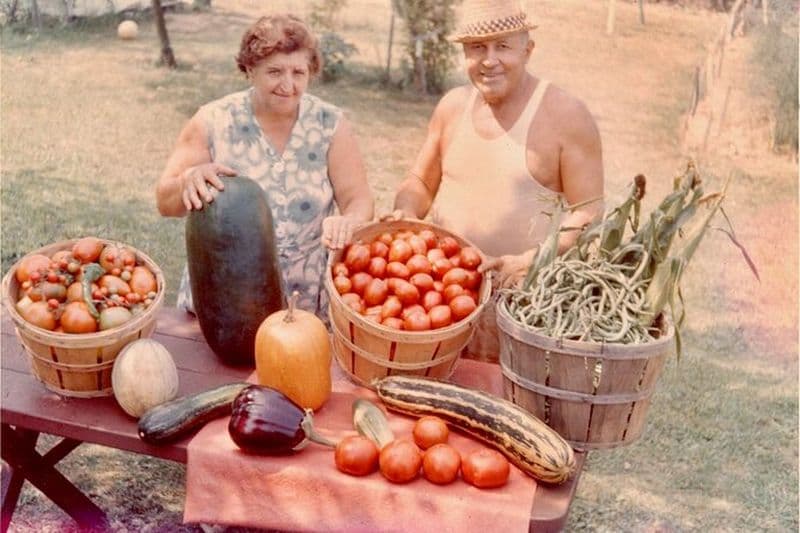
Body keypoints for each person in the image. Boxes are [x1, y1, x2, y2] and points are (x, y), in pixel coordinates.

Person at [391, 0, 605, 361]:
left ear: (527, 50)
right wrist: (406, 211)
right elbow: (420, 183)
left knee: (505, 392)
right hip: (441, 300)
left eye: (502, 46)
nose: (489, 60)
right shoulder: (452, 107)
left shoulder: (566, 115)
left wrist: (529, 261)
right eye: (477, 48)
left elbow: (590, 213)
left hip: (523, 305)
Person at [156, 13, 374, 318]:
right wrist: (187, 180)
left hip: (304, 304)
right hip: (225, 299)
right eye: (274, 72)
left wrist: (349, 220)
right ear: (250, 70)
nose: (288, 85)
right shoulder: (213, 120)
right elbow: (165, 202)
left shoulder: (330, 125)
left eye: (298, 72)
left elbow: (358, 199)